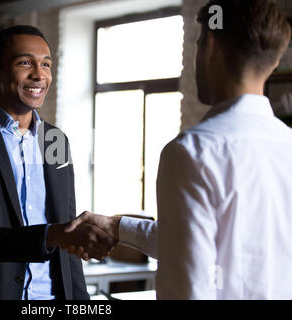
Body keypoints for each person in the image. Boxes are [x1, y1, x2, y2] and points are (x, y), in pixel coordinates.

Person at [67, 0, 292, 299]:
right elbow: (192, 243)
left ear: (210, 45)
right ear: (274, 61)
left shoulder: (192, 152)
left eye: (198, 43)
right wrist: (116, 225)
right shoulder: (286, 143)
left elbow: (187, 282)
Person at [0, 25, 116, 300]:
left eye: (46, 64)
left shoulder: (55, 140)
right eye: (25, 62)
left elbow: (68, 238)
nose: (39, 74)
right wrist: (53, 236)